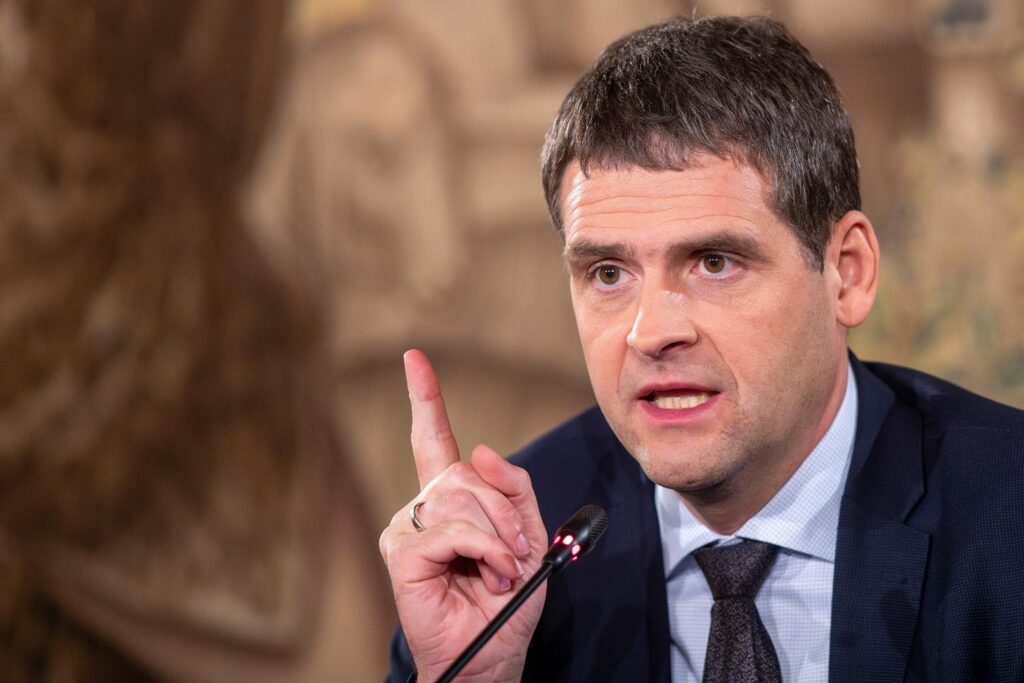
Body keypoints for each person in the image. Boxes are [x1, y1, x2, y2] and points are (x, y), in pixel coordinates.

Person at [379, 15, 1024, 682]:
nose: (650, 331)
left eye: (714, 262)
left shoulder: (1010, 515)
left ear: (847, 273)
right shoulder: (508, 563)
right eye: (608, 273)